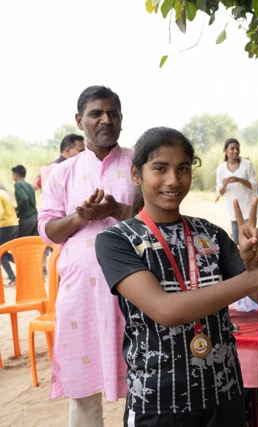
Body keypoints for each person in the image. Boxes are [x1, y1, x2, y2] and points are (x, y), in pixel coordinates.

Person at [94, 126, 258, 426]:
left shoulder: (210, 234)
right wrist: (254, 277)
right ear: (137, 175)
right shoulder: (117, 240)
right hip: (159, 400)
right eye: (160, 169)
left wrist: (255, 266)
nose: (173, 180)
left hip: (223, 392)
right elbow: (165, 310)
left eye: (183, 168)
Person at [38, 85, 134, 426]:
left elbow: (159, 215)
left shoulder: (140, 163)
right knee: (83, 395)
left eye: (112, 113)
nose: (105, 119)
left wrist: (118, 209)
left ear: (122, 120)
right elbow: (47, 229)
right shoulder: (61, 173)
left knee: (143, 382)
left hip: (135, 293)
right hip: (80, 296)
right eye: (96, 113)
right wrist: (80, 217)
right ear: (80, 120)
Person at [216, 137, 258, 245]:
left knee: (249, 240)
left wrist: (239, 180)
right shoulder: (221, 169)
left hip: (249, 208)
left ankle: (250, 262)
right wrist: (224, 185)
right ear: (225, 150)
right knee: (236, 241)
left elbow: (254, 186)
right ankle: (239, 262)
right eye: (232, 148)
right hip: (234, 210)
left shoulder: (247, 164)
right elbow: (219, 192)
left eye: (237, 149)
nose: (235, 151)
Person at [11, 165, 38, 237]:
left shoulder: (18, 185)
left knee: (21, 242)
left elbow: (24, 199)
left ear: (15, 175)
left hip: (26, 219)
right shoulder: (29, 185)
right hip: (35, 218)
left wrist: (17, 210)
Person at [0, 183, 19, 286]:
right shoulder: (4, 193)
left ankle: (12, 278)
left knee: (1, 254)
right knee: (4, 253)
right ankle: (24, 266)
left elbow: (0, 211)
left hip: (5, 225)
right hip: (14, 224)